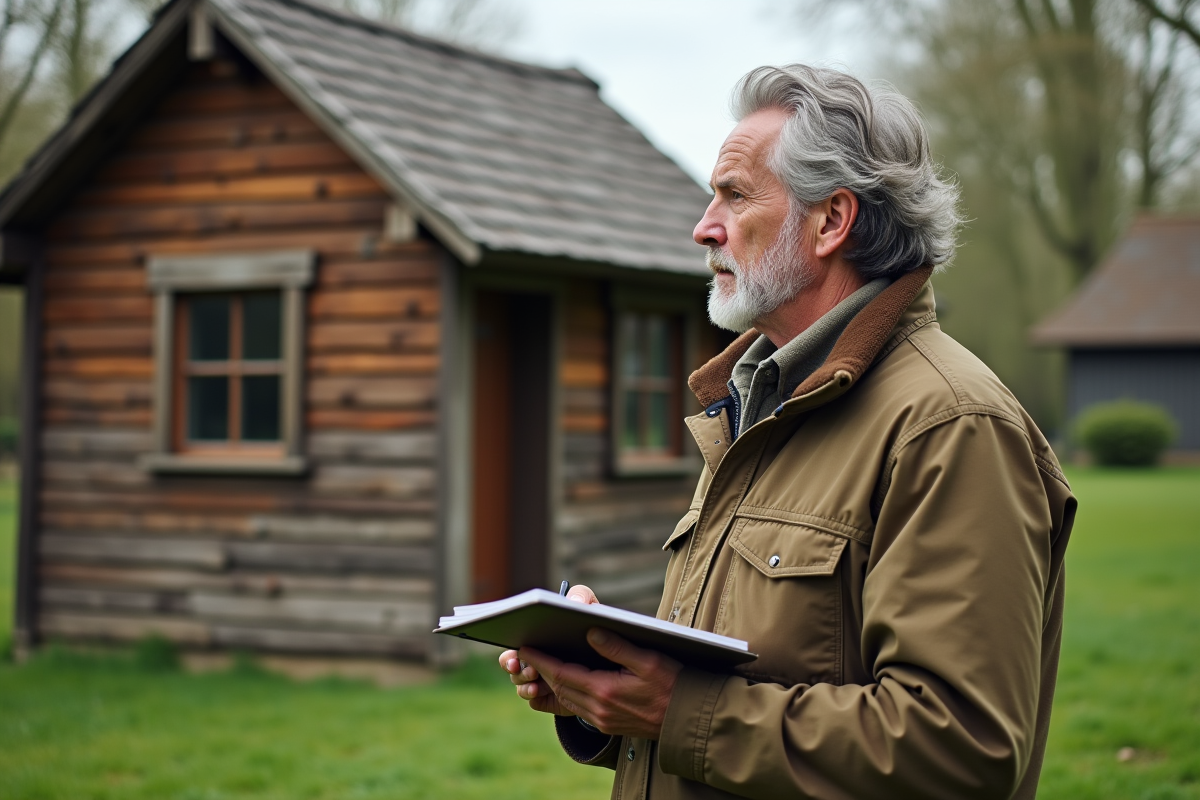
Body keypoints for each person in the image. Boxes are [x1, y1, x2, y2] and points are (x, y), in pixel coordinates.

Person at [499, 64, 1076, 800]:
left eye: (735, 195)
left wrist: (681, 712)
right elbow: (749, 685)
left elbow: (961, 749)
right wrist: (607, 692)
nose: (704, 226)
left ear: (831, 221)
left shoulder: (951, 425)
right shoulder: (758, 400)